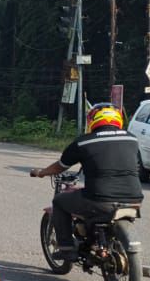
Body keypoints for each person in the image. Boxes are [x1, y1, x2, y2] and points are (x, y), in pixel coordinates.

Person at [30, 104, 142, 253]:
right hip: (135, 199)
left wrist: (41, 172)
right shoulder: (132, 139)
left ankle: (66, 247)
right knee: (90, 200)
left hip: (99, 199)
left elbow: (60, 166)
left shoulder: (84, 142)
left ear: (92, 120)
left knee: (59, 201)